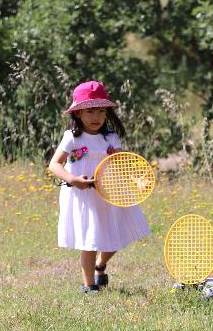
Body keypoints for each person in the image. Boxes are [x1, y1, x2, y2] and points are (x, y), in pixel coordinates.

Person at [48, 80, 151, 293]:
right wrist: (72, 179)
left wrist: (137, 180)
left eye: (101, 111)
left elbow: (122, 165)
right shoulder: (72, 138)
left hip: (111, 194)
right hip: (83, 196)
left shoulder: (110, 138)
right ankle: (89, 286)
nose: (96, 117)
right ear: (77, 114)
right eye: (90, 111)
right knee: (89, 241)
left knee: (114, 238)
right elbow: (54, 165)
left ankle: (100, 265)